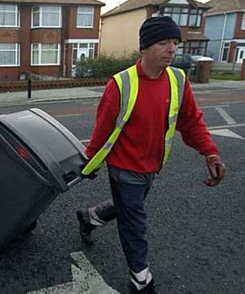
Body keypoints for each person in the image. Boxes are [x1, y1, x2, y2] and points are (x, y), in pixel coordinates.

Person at [76, 16, 226, 293]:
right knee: (134, 223)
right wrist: (89, 161)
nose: (171, 49)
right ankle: (141, 280)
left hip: (152, 166)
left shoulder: (178, 80)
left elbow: (191, 121)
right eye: (163, 42)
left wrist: (210, 152)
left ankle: (91, 216)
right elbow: (102, 130)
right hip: (124, 167)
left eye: (175, 43)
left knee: (127, 208)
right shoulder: (121, 84)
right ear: (144, 48)